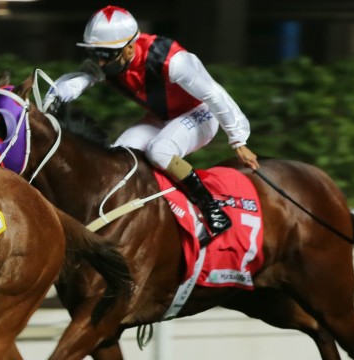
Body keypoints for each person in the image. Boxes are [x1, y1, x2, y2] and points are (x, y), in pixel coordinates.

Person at [43, 5, 259, 243]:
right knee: (120, 155)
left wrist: (238, 140)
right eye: (95, 54)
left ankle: (211, 211)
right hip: (162, 117)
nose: (101, 62)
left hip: (201, 114)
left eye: (106, 54)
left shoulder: (172, 60)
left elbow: (214, 95)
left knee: (160, 150)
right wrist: (54, 97)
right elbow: (79, 80)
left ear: (130, 47)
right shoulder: (111, 58)